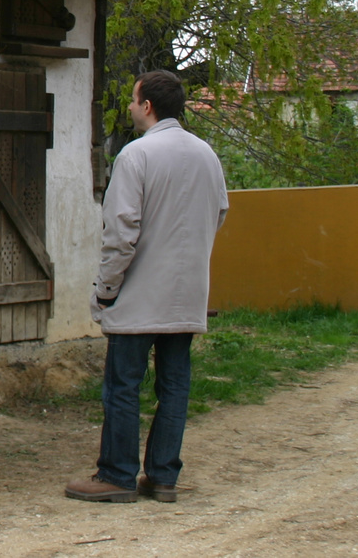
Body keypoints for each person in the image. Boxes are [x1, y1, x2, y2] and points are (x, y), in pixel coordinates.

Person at [65, 69, 229, 503]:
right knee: (174, 386)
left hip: (139, 293)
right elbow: (220, 213)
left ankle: (117, 474)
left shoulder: (136, 156)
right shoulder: (207, 155)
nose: (132, 108)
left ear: (149, 106)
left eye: (135, 101)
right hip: (187, 293)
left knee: (123, 386)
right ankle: (162, 476)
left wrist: (105, 289)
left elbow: (121, 234)